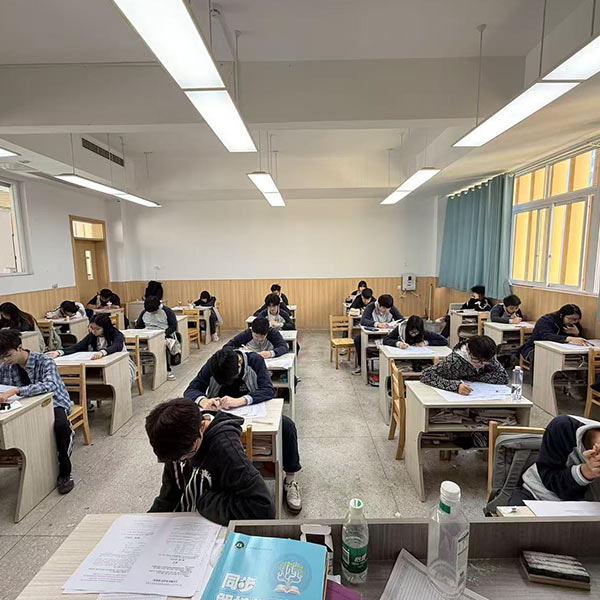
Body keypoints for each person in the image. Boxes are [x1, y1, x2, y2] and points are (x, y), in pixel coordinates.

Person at [184, 349, 303, 514]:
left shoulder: (254, 361)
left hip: (252, 411)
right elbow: (191, 390)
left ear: (240, 364)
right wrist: (204, 400)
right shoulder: (214, 363)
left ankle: (290, 480)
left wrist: (239, 401)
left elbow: (268, 389)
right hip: (220, 416)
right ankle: (212, 479)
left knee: (287, 426)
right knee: (199, 435)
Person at [146, 397, 275, 524]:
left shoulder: (226, 449)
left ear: (202, 427)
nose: (182, 460)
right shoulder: (176, 444)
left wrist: (205, 502)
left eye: (189, 453)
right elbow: (169, 495)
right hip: (185, 521)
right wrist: (149, 522)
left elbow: (263, 507)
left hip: (212, 524)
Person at [0, 329, 74, 494]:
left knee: (61, 427)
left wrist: (17, 390)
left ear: (20, 348)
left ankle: (65, 471)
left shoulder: (44, 360)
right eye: (2, 357)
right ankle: (31, 460)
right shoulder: (6, 367)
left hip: (54, 402)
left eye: (8, 355)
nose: (5, 360)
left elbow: (50, 385)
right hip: (23, 406)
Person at [509, 414, 600, 505]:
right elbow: (549, 478)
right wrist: (585, 472)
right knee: (515, 512)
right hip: (536, 494)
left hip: (582, 506)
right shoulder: (564, 427)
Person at [46, 314, 136, 391]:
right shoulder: (92, 336)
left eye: (97, 329)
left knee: (120, 380)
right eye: (91, 328)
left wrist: (102, 352)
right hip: (99, 364)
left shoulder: (116, 334)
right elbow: (78, 346)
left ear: (105, 328)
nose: (94, 331)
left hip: (121, 363)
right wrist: (59, 352)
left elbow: (117, 346)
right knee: (81, 377)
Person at [420, 335, 508, 394]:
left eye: (485, 362)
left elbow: (503, 377)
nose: (481, 365)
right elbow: (426, 375)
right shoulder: (453, 361)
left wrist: (470, 378)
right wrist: (455, 386)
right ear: (467, 350)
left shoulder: (486, 355)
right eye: (476, 360)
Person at [520, 304, 587, 366]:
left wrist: (577, 333)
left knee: (582, 358)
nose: (573, 322)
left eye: (576, 319)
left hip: (560, 349)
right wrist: (570, 338)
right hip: (534, 347)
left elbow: (579, 340)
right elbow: (546, 336)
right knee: (540, 357)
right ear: (561, 316)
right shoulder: (546, 320)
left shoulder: (575, 324)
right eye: (570, 319)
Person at [352, 294, 403, 375]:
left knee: (400, 340)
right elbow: (363, 321)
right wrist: (377, 324)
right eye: (384, 308)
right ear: (379, 305)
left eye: (388, 309)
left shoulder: (390, 307)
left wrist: (395, 325)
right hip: (373, 333)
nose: (386, 310)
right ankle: (361, 365)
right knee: (358, 340)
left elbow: (401, 320)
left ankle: (396, 367)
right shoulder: (371, 307)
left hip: (387, 334)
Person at [135, 296, 178, 381]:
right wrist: (143, 330)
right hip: (148, 335)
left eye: (153, 311)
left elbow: (173, 326)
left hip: (164, 335)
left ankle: (167, 370)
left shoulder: (167, 311)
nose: (151, 313)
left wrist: (164, 333)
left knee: (163, 347)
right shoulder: (144, 312)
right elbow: (138, 326)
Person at [224, 317, 289, 359]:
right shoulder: (247, 334)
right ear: (252, 330)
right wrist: (241, 350)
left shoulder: (273, 333)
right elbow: (226, 347)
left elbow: (284, 347)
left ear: (267, 332)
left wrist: (271, 353)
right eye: (256, 336)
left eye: (262, 337)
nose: (260, 339)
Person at [383, 315, 448, 348]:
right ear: (407, 328)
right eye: (411, 332)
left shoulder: (423, 331)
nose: (414, 334)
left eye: (416, 332)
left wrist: (426, 343)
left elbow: (444, 341)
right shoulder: (400, 328)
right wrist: (398, 344)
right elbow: (386, 340)